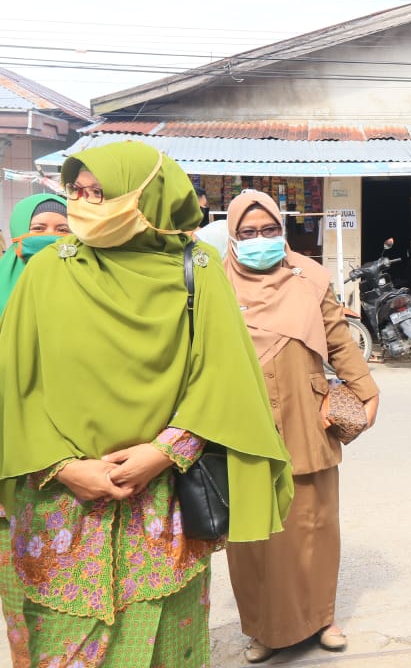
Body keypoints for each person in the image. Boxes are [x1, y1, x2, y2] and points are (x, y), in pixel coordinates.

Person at [0, 142, 293, 667]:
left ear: (151, 197)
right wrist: (65, 467)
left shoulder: (198, 270)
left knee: (165, 649)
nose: (86, 204)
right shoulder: (47, 275)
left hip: (163, 504)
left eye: (103, 193)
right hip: (61, 508)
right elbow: (16, 390)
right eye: (78, 192)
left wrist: (164, 451)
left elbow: (221, 381)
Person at [222, 189, 380, 663]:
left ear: (283, 230)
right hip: (243, 421)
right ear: (232, 237)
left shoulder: (309, 277)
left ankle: (322, 618)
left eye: (269, 230)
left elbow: (338, 338)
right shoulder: (214, 285)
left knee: (314, 525)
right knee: (254, 535)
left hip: (307, 415)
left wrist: (367, 391)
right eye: (248, 233)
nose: (259, 240)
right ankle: (264, 631)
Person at [0, 193, 68, 666]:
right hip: (10, 481)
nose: (51, 240)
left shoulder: (89, 295)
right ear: (15, 237)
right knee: (24, 603)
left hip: (77, 481)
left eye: (63, 231)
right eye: (39, 228)